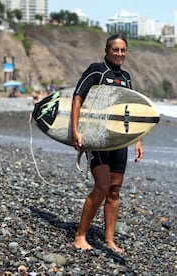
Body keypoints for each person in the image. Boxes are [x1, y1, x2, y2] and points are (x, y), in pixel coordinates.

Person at [71, 33, 144, 253]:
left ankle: (109, 240)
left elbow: (130, 111)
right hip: (98, 139)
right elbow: (77, 98)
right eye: (115, 50)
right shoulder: (96, 70)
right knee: (102, 186)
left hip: (119, 140)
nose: (119, 54)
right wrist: (75, 130)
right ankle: (80, 235)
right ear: (107, 51)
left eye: (123, 50)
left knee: (114, 190)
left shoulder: (127, 77)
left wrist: (138, 140)